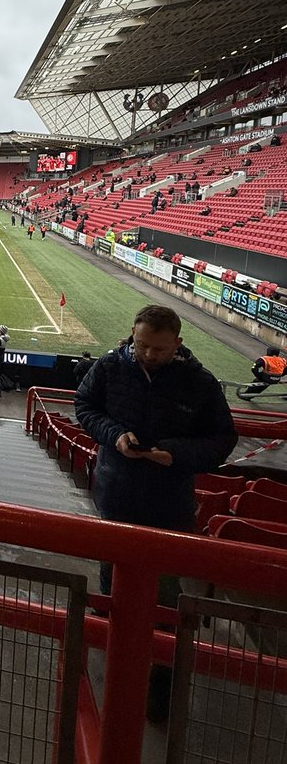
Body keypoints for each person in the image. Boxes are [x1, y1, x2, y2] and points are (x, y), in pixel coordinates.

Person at [74, 305, 237, 720]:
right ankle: (110, 662)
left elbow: (222, 439)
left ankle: (160, 690)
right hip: (116, 495)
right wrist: (115, 437)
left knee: (163, 600)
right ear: (132, 334)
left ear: (177, 345)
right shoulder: (111, 366)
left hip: (168, 506)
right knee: (111, 581)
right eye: (142, 344)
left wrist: (177, 454)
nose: (148, 354)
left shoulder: (199, 383)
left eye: (159, 350)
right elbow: (86, 407)